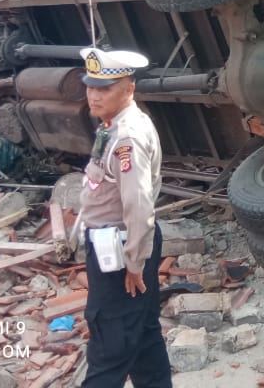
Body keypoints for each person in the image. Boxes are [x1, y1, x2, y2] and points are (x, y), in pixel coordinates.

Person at [76, 47, 172, 388]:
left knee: (110, 344)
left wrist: (134, 261)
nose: (94, 95)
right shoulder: (115, 126)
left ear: (128, 88)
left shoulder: (126, 138)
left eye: (104, 89)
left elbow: (138, 205)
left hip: (119, 249)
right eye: (90, 86)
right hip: (121, 242)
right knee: (144, 336)